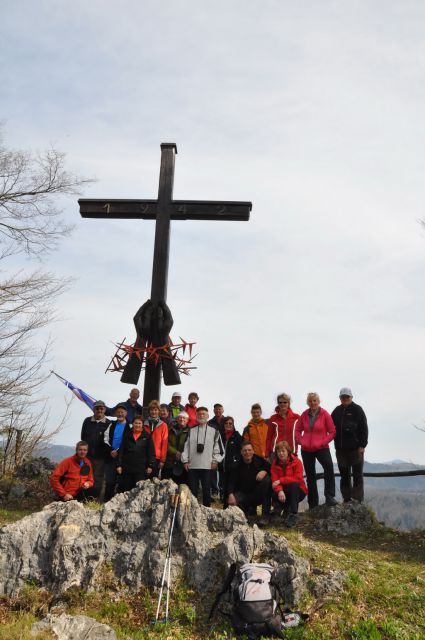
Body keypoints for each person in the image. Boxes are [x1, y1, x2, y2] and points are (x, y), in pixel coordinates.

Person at [295, 392, 337, 509]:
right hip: (306, 449)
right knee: (310, 475)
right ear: (308, 402)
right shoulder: (304, 415)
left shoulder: (325, 414)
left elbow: (332, 431)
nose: (313, 403)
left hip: (321, 448)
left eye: (315, 401)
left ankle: (329, 497)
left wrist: (323, 442)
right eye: (310, 401)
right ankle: (313, 504)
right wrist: (301, 441)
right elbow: (297, 430)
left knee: (329, 468)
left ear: (318, 401)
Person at [331, 387, 369, 503]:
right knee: (344, 476)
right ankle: (346, 499)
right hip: (341, 450)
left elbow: (364, 429)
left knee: (357, 475)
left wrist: (362, 446)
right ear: (340, 398)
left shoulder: (358, 410)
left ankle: (357, 500)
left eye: (347, 396)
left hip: (356, 449)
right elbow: (329, 427)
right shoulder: (336, 411)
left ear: (351, 397)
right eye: (343, 397)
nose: (345, 398)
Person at [182, 406, 223, 507]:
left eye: (203, 414)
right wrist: (185, 461)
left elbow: (219, 449)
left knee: (206, 491)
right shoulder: (191, 431)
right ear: (196, 416)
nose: (201, 415)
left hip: (207, 466)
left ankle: (206, 512)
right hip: (193, 466)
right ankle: (192, 512)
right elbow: (186, 447)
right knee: (192, 491)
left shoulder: (214, 431)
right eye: (199, 414)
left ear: (208, 416)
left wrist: (215, 461)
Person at [227, 441, 271, 526]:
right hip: (243, 495)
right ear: (241, 452)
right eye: (245, 450)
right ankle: (245, 514)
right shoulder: (236, 465)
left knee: (267, 480)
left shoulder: (259, 460)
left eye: (249, 450)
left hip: (257, 494)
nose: (247, 452)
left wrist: (264, 471)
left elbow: (271, 469)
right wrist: (230, 494)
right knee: (233, 500)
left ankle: (265, 516)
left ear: (253, 451)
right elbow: (230, 482)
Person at [271, 441, 307, 527]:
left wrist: (281, 480)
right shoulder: (274, 464)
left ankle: (293, 514)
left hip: (298, 491)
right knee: (273, 487)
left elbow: (298, 478)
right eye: (279, 451)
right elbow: (274, 480)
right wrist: (280, 491)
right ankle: (278, 510)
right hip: (283, 492)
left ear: (288, 452)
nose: (281, 453)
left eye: (283, 451)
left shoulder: (297, 462)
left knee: (294, 485)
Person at [80, 400, 112, 499]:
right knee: (84, 477)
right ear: (93, 409)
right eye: (97, 408)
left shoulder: (109, 423)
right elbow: (83, 437)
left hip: (100, 458)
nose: (99, 410)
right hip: (87, 457)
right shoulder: (87, 421)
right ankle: (83, 498)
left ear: (105, 410)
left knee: (98, 479)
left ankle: (93, 500)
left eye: (101, 408)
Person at [117, 415, 156, 492]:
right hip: (127, 468)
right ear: (133, 424)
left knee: (139, 490)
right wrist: (119, 465)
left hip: (141, 469)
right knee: (126, 490)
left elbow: (151, 452)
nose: (137, 425)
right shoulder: (127, 435)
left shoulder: (147, 436)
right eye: (136, 423)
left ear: (142, 424)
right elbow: (121, 451)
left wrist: (150, 466)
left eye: (139, 423)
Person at [104, 404, 131, 501]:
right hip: (111, 456)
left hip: (124, 458)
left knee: (122, 482)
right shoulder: (112, 424)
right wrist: (111, 450)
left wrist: (118, 451)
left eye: (122, 412)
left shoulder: (130, 426)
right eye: (118, 412)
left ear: (126, 413)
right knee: (110, 482)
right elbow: (105, 438)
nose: (120, 414)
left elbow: (129, 442)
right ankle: (107, 502)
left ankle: (120, 502)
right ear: (115, 413)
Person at [266, 393, 300, 458]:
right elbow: (269, 437)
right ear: (278, 404)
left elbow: (306, 431)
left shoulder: (297, 418)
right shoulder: (273, 418)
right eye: (280, 402)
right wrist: (267, 454)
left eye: (285, 402)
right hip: (275, 452)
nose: (282, 404)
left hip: (291, 452)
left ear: (288, 403)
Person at [162, 411, 190, 484]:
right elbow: (165, 443)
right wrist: (175, 452)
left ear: (187, 420)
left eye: (184, 418)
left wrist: (182, 455)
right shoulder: (169, 430)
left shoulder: (191, 431)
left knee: (182, 486)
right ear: (177, 419)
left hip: (183, 463)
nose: (182, 419)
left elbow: (190, 446)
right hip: (169, 462)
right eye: (180, 418)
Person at [221, 416, 243, 506]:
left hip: (234, 468)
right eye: (226, 423)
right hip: (222, 467)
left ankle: (233, 509)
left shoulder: (237, 435)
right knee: (224, 489)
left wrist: (236, 460)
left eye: (230, 423)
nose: (228, 425)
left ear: (233, 425)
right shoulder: (221, 436)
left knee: (232, 489)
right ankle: (225, 510)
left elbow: (241, 450)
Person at [143, 399, 168, 476]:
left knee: (153, 482)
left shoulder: (163, 425)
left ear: (158, 411)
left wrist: (162, 460)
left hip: (156, 458)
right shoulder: (143, 423)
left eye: (155, 410)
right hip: (143, 456)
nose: (153, 412)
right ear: (149, 411)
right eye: (151, 410)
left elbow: (164, 443)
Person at [208, 403, 226, 497]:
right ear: (214, 411)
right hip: (214, 449)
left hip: (225, 448)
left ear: (223, 410)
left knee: (223, 470)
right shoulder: (210, 422)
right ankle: (214, 490)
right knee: (213, 470)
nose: (218, 411)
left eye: (220, 409)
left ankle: (222, 491)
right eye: (216, 409)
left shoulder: (227, 421)